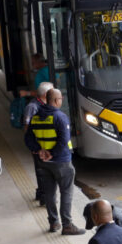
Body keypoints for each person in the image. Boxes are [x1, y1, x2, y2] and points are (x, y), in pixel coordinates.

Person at [25, 88, 83, 235]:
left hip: (43, 162)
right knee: (66, 192)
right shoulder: (60, 117)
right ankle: (67, 225)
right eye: (61, 99)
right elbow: (64, 140)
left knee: (49, 193)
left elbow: (28, 138)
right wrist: (51, 153)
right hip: (61, 162)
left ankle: (53, 222)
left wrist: (39, 150)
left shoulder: (36, 117)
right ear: (56, 101)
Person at [22, 81, 53, 206]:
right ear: (46, 94)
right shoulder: (33, 107)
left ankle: (41, 193)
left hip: (46, 145)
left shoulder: (47, 104)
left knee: (44, 170)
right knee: (41, 171)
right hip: (38, 146)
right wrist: (34, 146)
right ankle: (43, 196)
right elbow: (26, 127)